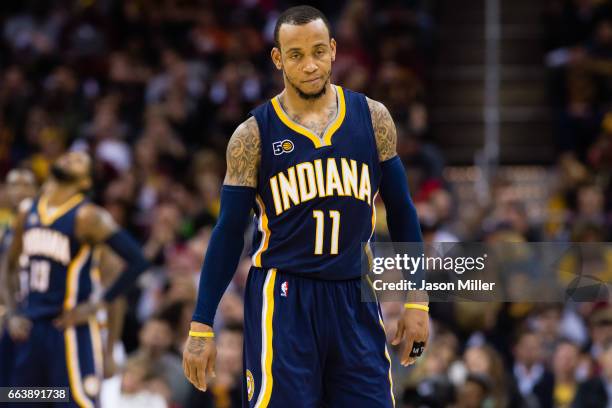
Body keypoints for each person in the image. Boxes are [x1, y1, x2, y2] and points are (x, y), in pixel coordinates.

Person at [182, 5, 428, 407]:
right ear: (278, 58)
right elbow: (227, 233)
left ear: (333, 50)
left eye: (318, 51)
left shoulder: (374, 118)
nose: (310, 65)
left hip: (354, 294)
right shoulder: (252, 136)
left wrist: (417, 298)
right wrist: (201, 324)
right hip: (284, 298)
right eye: (296, 55)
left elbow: (402, 212)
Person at [1, 151, 149, 407]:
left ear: (85, 182)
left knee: (75, 401)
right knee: (18, 400)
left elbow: (137, 261)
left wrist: (99, 304)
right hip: (30, 328)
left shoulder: (88, 217)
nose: (71, 158)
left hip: (68, 330)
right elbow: (8, 265)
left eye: (81, 161)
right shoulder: (29, 212)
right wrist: (13, 312)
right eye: (69, 156)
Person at [0, 168, 37, 386]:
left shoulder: (47, 224)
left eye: (26, 184)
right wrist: (8, 312)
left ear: (36, 189)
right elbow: (6, 274)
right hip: (14, 316)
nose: (20, 191)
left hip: (41, 317)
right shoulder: (8, 230)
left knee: (50, 390)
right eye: (14, 185)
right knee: (7, 390)